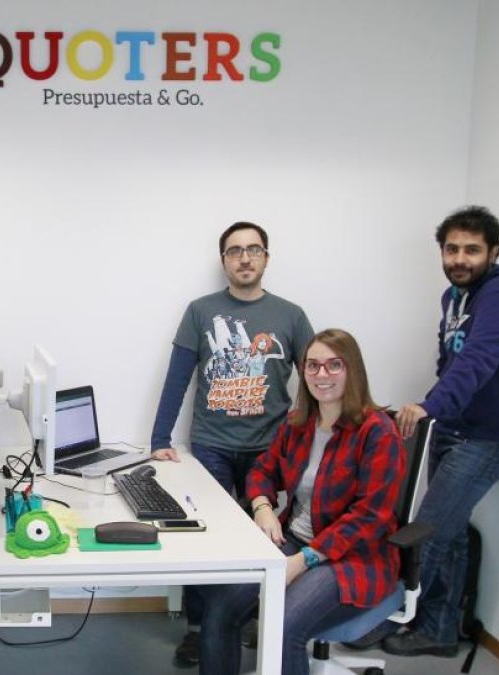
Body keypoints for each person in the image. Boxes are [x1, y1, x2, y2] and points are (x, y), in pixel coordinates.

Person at [367, 206, 499, 657]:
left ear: (494, 252)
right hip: (452, 429)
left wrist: (428, 407)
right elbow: (450, 365)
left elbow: (479, 362)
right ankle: (440, 631)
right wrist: (432, 409)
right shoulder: (453, 297)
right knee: (452, 533)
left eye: (472, 250)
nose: (460, 258)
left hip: (487, 437)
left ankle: (377, 616)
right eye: (452, 249)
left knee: (429, 530)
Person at [149, 221, 313, 666]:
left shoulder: (291, 315)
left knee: (266, 538)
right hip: (213, 445)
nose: (244, 258)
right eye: (235, 251)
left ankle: (256, 616)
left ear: (266, 257)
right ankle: (202, 628)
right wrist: (158, 438)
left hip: (271, 447)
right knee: (205, 540)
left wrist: (312, 436)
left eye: (253, 249)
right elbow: (178, 377)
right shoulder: (201, 311)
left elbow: (316, 376)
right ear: (223, 260)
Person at [197, 329, 406, 675]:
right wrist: (263, 507)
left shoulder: (378, 432)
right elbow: (262, 471)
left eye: (333, 365)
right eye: (313, 366)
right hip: (294, 542)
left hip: (355, 558)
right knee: (220, 606)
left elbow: (370, 517)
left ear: (352, 370)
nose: (321, 375)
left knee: (282, 624)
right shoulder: (298, 425)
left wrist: (304, 560)